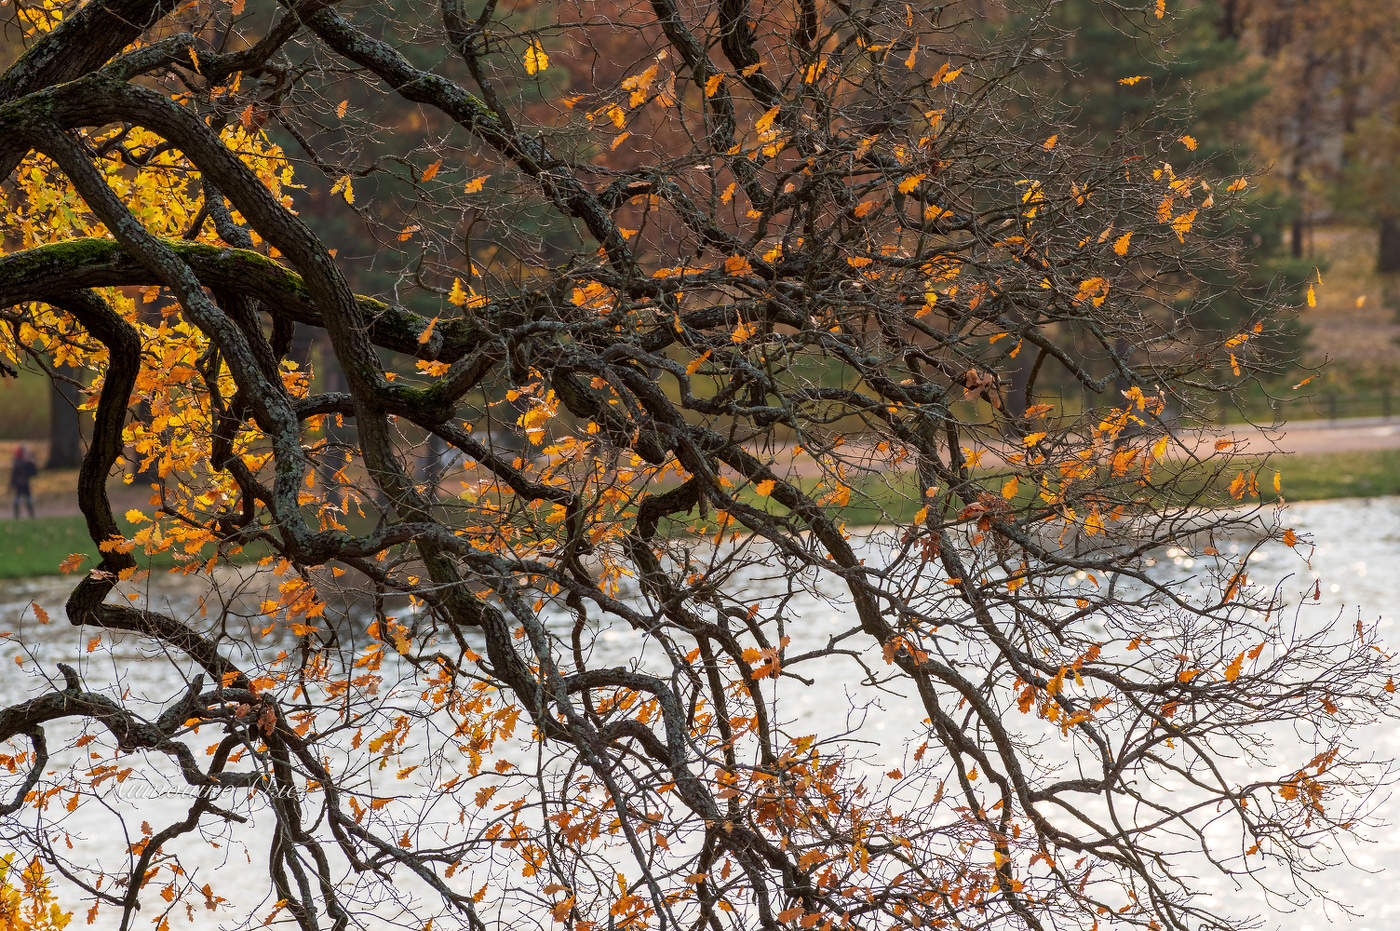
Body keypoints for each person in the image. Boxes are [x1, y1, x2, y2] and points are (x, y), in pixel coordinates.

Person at [9, 445, 36, 519]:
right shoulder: (17, 462)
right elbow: (15, 473)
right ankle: (17, 516)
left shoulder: (28, 462)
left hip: (25, 484)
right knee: (17, 499)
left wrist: (32, 463)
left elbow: (33, 473)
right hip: (19, 484)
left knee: (28, 499)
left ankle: (31, 515)